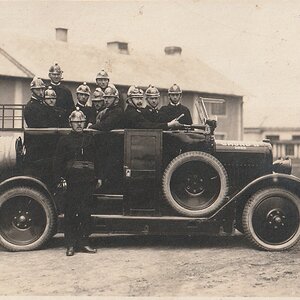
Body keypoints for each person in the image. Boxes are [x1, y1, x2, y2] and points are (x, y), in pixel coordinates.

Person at [53, 108, 100, 256]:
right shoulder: (64, 140)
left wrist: (98, 177)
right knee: (71, 213)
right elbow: (58, 162)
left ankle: (84, 242)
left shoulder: (91, 139)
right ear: (70, 124)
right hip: (72, 181)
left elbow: (98, 160)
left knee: (85, 212)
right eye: (76, 122)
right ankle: (71, 245)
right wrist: (60, 179)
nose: (79, 124)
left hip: (87, 181)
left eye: (81, 122)